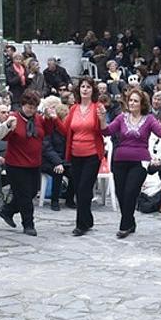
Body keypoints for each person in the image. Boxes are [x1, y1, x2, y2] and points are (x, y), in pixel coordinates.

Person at [0, 90, 56, 236]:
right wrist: (7, 126)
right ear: (22, 105)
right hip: (16, 164)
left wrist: (50, 119)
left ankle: (7, 211)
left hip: (34, 163)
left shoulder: (38, 118)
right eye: (28, 106)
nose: (31, 110)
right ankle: (28, 224)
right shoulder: (13, 118)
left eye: (33, 107)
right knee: (25, 195)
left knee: (31, 192)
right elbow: (0, 137)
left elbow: (48, 131)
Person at [106, 87, 161, 239]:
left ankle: (124, 225)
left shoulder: (149, 119)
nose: (132, 103)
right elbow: (107, 131)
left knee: (130, 192)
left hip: (139, 161)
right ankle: (131, 221)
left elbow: (160, 133)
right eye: (131, 100)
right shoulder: (121, 118)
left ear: (142, 104)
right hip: (120, 159)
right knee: (120, 193)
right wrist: (101, 119)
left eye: (136, 101)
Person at [60, 79, 107, 235]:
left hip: (92, 154)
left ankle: (81, 224)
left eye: (88, 87)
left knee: (83, 189)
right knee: (79, 189)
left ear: (92, 90)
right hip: (75, 154)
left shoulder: (97, 108)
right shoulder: (73, 109)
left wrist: (102, 119)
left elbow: (103, 130)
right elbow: (65, 129)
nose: (85, 90)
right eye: (82, 87)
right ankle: (88, 219)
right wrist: (54, 118)